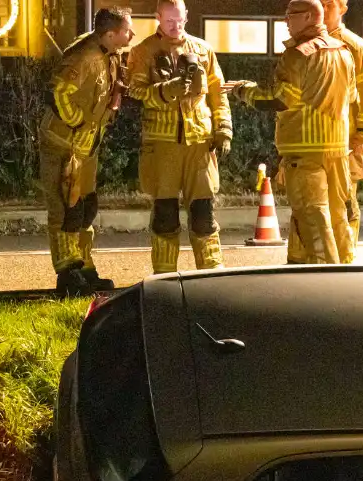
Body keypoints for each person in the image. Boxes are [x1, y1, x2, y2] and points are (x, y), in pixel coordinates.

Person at [229, 0, 357, 265]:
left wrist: (244, 90)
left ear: (309, 17)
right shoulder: (345, 51)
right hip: (337, 149)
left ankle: (327, 279)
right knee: (337, 216)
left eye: (290, 16)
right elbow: (352, 96)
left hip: (305, 149)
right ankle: (344, 268)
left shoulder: (298, 54)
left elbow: (281, 99)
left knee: (314, 218)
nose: (285, 21)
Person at [128, 0, 232, 275]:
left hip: (200, 143)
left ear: (187, 16)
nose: (176, 27)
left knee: (203, 214)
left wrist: (223, 130)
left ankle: (211, 275)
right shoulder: (143, 51)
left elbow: (217, 93)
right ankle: (164, 279)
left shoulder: (203, 49)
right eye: (170, 21)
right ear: (158, 18)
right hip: (162, 146)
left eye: (181, 20)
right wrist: (165, 90)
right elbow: (135, 91)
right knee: (165, 215)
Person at [38, 8, 134, 295]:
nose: (132, 35)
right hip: (63, 145)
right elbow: (59, 93)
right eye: (127, 30)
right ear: (109, 34)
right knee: (65, 209)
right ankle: (67, 273)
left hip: (85, 148)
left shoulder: (108, 52)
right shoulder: (85, 56)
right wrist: (79, 122)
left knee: (85, 208)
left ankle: (84, 266)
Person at [323, 0, 363, 263]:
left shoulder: (356, 47)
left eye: (328, 5)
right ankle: (316, 257)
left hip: (346, 140)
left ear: (342, 9)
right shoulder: (306, 44)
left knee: (345, 200)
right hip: (315, 139)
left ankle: (345, 257)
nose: (323, 11)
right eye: (319, 4)